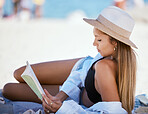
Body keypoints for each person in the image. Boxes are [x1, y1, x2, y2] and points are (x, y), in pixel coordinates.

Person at [2, 6, 137, 114]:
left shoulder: (104, 68)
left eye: (99, 39)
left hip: (76, 96)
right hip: (79, 68)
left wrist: (62, 108)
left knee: (9, 90)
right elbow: (80, 73)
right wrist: (59, 97)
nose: (94, 44)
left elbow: (114, 112)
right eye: (95, 37)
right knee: (19, 73)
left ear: (115, 43)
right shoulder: (106, 58)